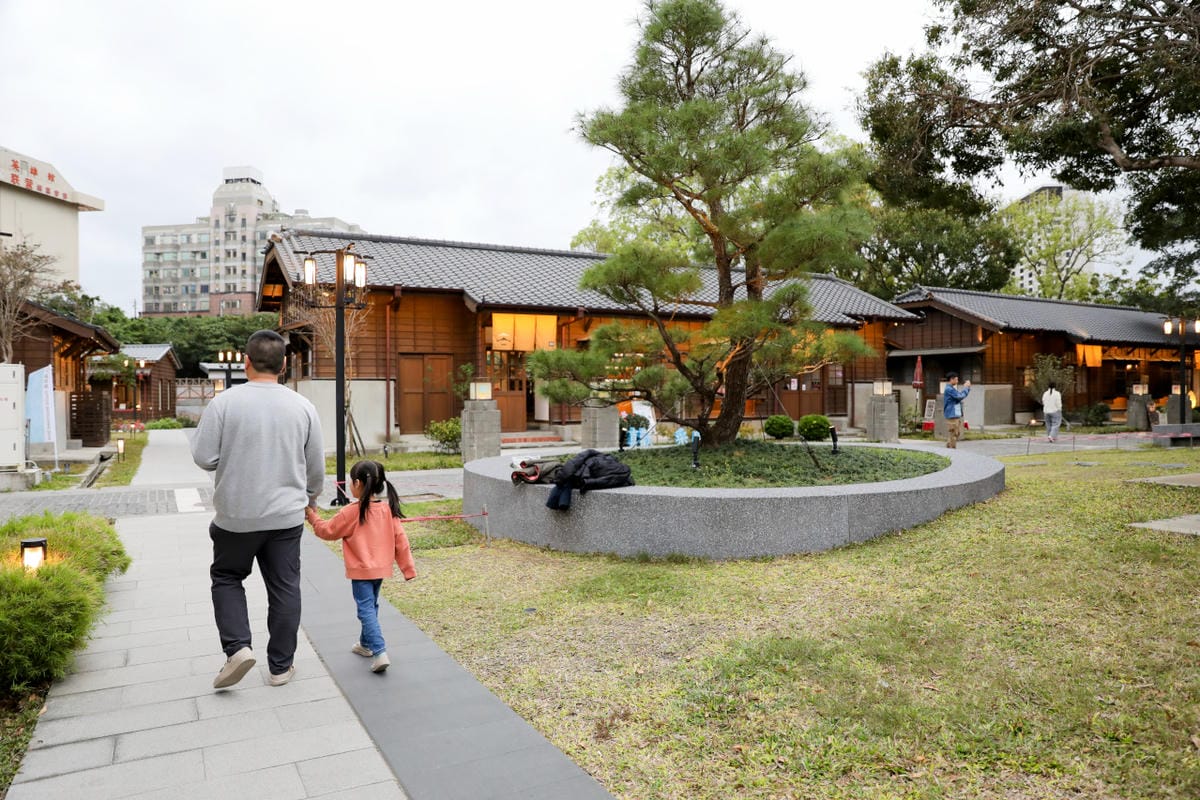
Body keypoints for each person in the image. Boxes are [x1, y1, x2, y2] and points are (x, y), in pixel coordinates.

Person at [191, 330, 325, 690]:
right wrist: (310, 497)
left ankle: (238, 648)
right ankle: (280, 667)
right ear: (284, 365)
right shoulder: (302, 406)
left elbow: (204, 456)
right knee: (284, 587)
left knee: (227, 577)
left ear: (246, 362)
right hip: (285, 517)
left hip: (235, 515)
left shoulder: (224, 404)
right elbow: (316, 466)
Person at [305, 460, 416, 673]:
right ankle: (365, 645)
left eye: (351, 482)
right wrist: (407, 569)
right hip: (380, 570)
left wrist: (312, 516)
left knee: (365, 609)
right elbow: (401, 539)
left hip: (361, 571)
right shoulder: (386, 509)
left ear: (357, 483)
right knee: (371, 606)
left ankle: (379, 651)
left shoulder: (351, 511)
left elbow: (327, 531)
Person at [943, 372, 971, 449]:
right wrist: (966, 388)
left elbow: (960, 395)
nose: (957, 381)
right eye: (956, 379)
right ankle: (952, 450)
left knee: (955, 433)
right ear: (951, 379)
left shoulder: (951, 389)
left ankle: (949, 448)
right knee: (954, 433)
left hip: (954, 413)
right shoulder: (949, 389)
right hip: (952, 414)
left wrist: (966, 388)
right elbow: (960, 396)